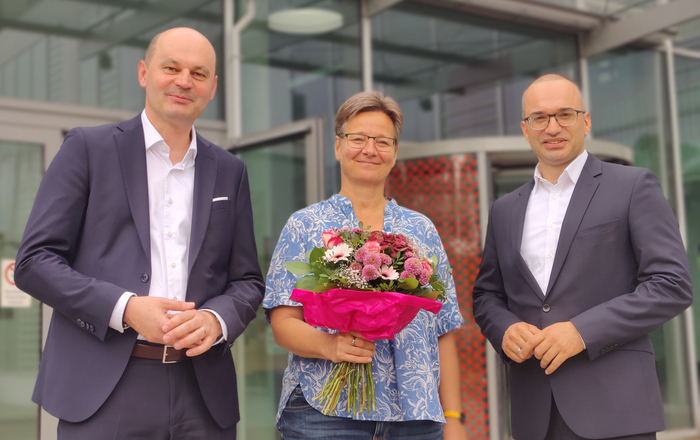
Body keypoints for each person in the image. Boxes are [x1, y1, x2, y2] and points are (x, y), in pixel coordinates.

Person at [14, 27, 265, 439]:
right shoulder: (87, 149)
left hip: (202, 392)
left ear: (213, 87)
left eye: (199, 73)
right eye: (172, 67)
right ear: (144, 73)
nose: (185, 81)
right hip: (103, 386)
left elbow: (247, 280)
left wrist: (216, 318)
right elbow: (34, 262)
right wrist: (126, 308)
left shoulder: (230, 171)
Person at [472, 74, 693, 440]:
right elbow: (487, 295)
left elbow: (671, 285)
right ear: (525, 130)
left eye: (565, 114)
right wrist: (504, 329)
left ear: (586, 122)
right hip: (535, 413)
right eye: (540, 118)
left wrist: (581, 331)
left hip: (617, 410)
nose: (553, 127)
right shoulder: (504, 209)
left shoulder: (633, 186)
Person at [263, 91, 467, 440]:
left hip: (416, 416)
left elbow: (443, 328)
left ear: (395, 152)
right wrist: (330, 346)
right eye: (358, 138)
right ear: (338, 147)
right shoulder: (306, 224)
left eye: (382, 141)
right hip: (325, 410)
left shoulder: (421, 230)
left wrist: (454, 417)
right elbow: (282, 322)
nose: (370, 149)